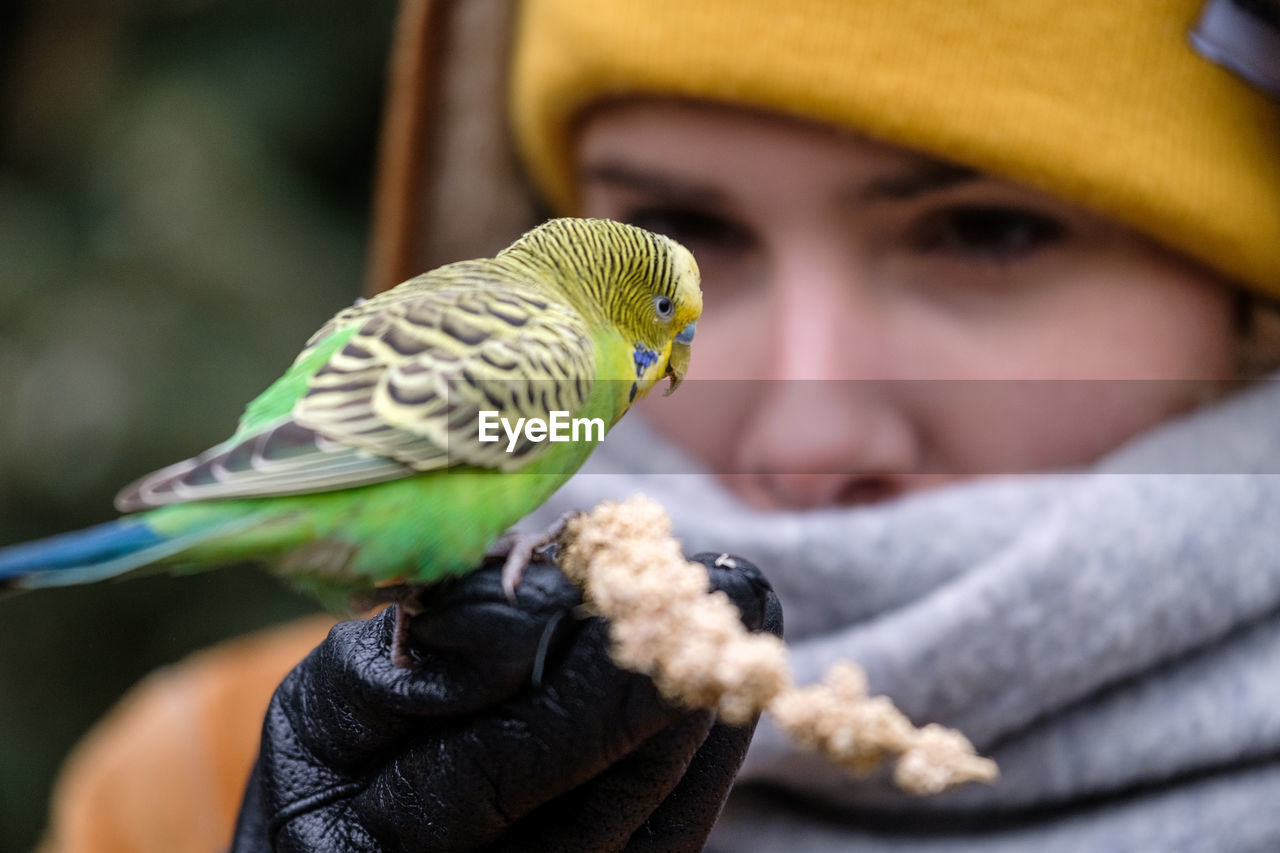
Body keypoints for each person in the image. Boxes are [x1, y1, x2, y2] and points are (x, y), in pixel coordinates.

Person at [40, 0, 1280, 851]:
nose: (807, 422)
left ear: (1251, 306)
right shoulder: (190, 785)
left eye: (984, 233)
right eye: (697, 226)